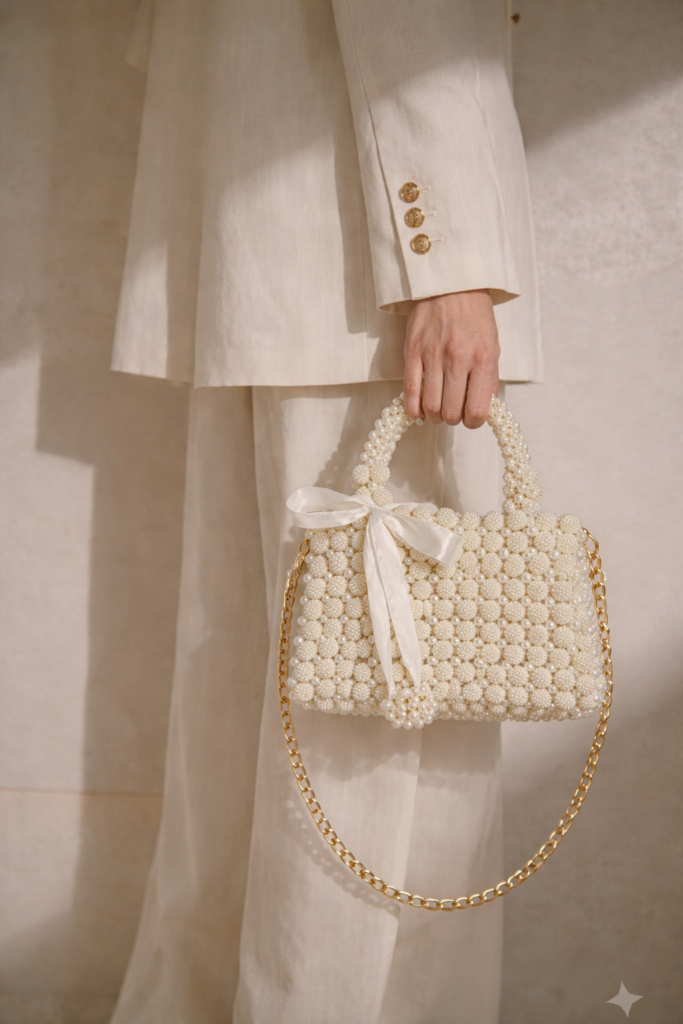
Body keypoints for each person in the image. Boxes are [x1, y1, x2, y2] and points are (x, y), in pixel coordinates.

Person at [110, 0, 542, 1021]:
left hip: (264, 233)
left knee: (247, 710)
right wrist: (445, 260)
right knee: (381, 758)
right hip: (365, 258)